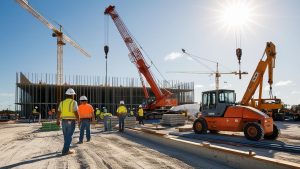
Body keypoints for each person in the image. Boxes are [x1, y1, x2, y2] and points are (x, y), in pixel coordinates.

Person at [56, 88, 79, 155]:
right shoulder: (74, 102)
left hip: (63, 121)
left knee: (66, 136)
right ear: (72, 95)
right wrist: (79, 120)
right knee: (69, 136)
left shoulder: (62, 103)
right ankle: (65, 150)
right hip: (71, 121)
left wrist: (57, 120)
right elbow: (76, 112)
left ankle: (67, 149)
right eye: (73, 95)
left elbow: (59, 112)